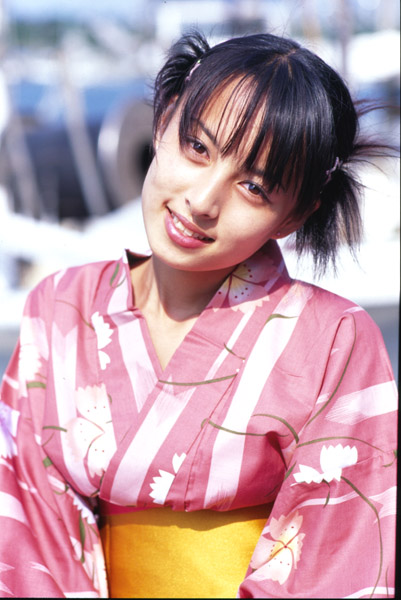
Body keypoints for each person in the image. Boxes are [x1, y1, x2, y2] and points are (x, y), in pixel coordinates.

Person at [0, 30, 397, 598]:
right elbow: (25, 526)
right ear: (163, 120)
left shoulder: (335, 339)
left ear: (296, 214)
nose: (203, 200)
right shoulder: (61, 307)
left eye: (254, 186)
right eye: (197, 147)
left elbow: (341, 562)